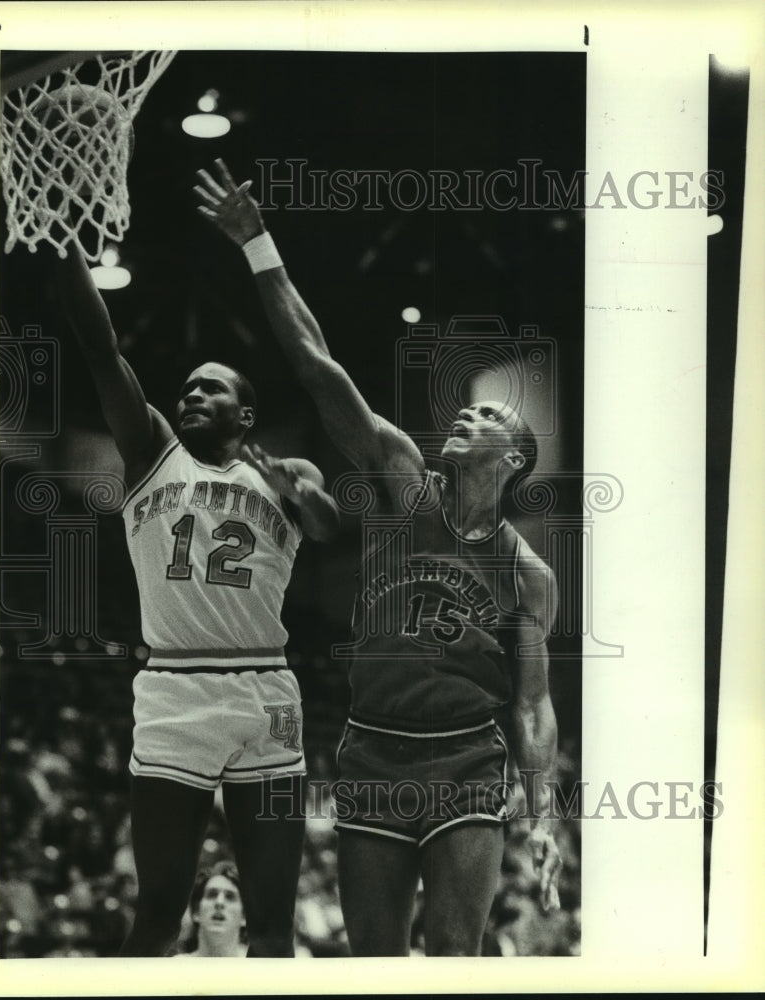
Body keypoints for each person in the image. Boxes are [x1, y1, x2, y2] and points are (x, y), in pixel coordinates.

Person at [194, 160, 563, 957]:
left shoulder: (526, 573)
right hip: (369, 750)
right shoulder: (404, 483)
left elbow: (532, 705)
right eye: (466, 407)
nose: (467, 412)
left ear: (515, 459)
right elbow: (318, 368)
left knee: (454, 957)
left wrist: (543, 807)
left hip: (465, 759)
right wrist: (258, 243)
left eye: (489, 413)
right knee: (373, 962)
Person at [52, 242, 339, 957]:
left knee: (271, 920)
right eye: (185, 387)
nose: (190, 395)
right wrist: (63, 252)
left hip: (267, 696)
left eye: (210, 389)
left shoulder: (283, 471)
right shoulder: (152, 449)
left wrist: (307, 496)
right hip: (175, 694)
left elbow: (331, 526)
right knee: (157, 915)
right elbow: (98, 347)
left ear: (245, 415)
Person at [176, 862, 247, 957]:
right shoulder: (174, 967)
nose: (219, 902)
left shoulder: (260, 968)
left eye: (230, 896)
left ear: (244, 916)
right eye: (212, 894)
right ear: (196, 911)